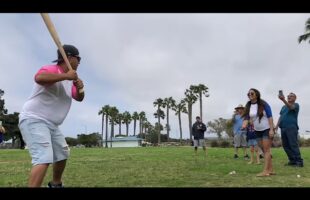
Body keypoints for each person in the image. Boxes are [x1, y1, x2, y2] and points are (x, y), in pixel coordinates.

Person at [18, 44, 85, 187]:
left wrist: (80, 88)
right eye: (78, 58)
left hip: (52, 124)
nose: (79, 62)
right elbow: (39, 77)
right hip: (34, 119)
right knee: (43, 157)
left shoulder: (70, 81)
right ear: (69, 57)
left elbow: (79, 98)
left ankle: (55, 184)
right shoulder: (53, 69)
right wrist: (66, 75)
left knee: (62, 153)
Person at [242, 88, 275, 177]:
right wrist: (244, 125)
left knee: (266, 150)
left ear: (256, 94)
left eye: (252, 93)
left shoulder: (263, 104)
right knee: (264, 150)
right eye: (248, 94)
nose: (250, 95)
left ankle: (266, 171)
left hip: (267, 129)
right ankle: (271, 169)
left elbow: (270, 117)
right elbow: (246, 118)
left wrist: (272, 129)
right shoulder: (248, 105)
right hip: (257, 130)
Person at [275, 92, 303, 167]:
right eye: (288, 96)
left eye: (291, 96)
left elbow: (291, 107)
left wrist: (283, 99)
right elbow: (281, 116)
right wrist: (276, 126)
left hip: (291, 127)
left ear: (295, 98)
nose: (289, 97)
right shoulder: (283, 107)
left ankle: (299, 161)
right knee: (285, 145)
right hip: (283, 128)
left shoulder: (296, 105)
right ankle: (292, 160)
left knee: (293, 144)